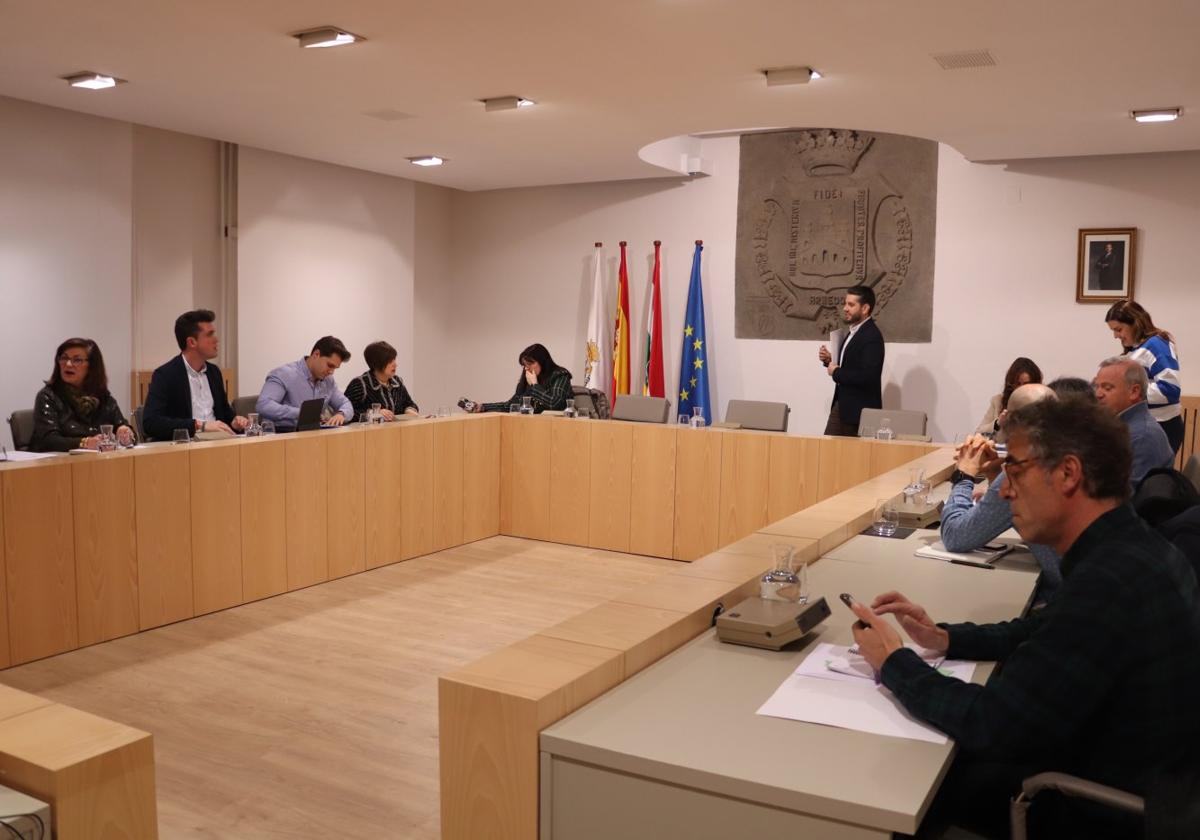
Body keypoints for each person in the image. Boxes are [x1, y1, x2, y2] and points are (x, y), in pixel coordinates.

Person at [848, 396, 1200, 839]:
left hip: (1090, 806)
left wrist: (895, 663)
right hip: (1139, 774)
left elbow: (991, 724)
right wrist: (945, 638)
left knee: (904, 788)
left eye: (1014, 471)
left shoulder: (1110, 582)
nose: (1006, 489)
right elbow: (1044, 628)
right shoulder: (1137, 548)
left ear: (1068, 473)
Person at [942, 383, 1062, 599]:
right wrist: (995, 473)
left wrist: (964, 475)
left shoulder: (1025, 472)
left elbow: (955, 537)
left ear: (1005, 418)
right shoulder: (1064, 454)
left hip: (1067, 602)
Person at [142, 309, 249, 440]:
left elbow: (225, 414)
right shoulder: (165, 375)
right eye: (210, 335)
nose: (216, 339)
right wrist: (199, 425)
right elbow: (151, 423)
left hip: (218, 444)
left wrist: (234, 421)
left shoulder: (214, 372)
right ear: (192, 342)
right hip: (185, 449)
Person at [1105, 300, 1183, 453]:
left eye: (1119, 329)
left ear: (1135, 323)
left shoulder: (1156, 345)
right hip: (1148, 425)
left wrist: (1128, 393)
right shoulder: (1136, 348)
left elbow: (1170, 390)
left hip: (1161, 426)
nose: (1115, 336)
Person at [30, 338, 135, 451]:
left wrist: (125, 432)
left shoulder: (103, 398)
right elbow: (48, 440)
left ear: (92, 367)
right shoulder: (48, 396)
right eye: (64, 358)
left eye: (77, 360)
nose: (68, 364)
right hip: (58, 465)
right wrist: (84, 442)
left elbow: (121, 425)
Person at [1093, 357, 1174, 487]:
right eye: (1096, 387)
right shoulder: (1120, 426)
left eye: (1107, 388)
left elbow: (1125, 494)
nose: (1098, 394)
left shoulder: (1142, 436)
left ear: (1134, 392)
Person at [817, 285, 884, 437]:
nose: (845, 308)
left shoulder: (871, 336)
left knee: (849, 458)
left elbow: (867, 376)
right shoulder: (855, 331)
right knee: (827, 453)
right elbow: (852, 364)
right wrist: (830, 360)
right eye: (845, 303)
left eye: (851, 305)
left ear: (865, 308)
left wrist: (837, 372)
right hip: (843, 407)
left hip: (857, 414)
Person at [256, 336, 354, 430]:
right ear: (316, 354)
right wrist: (300, 413)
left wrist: (341, 414)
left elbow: (346, 404)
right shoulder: (284, 374)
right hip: (282, 435)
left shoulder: (328, 380)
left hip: (315, 436)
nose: (331, 372)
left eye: (335, 368)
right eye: (330, 365)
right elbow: (264, 405)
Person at [468, 343, 573, 413]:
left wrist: (535, 386)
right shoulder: (528, 378)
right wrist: (482, 407)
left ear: (543, 361)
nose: (526, 368)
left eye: (530, 364)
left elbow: (555, 404)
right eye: (524, 365)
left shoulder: (560, 375)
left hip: (556, 428)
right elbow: (512, 405)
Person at [343, 341, 419, 422]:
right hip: (369, 433)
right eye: (390, 361)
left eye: (394, 360)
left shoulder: (397, 381)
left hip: (396, 430)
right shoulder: (360, 384)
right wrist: (374, 413)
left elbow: (409, 403)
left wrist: (409, 410)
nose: (395, 364)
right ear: (376, 363)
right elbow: (346, 412)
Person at [974, 357, 1042, 439]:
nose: (1021, 388)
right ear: (1011, 384)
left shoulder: (1043, 402)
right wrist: (997, 423)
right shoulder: (998, 401)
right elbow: (978, 433)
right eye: (1018, 384)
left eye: (1026, 384)